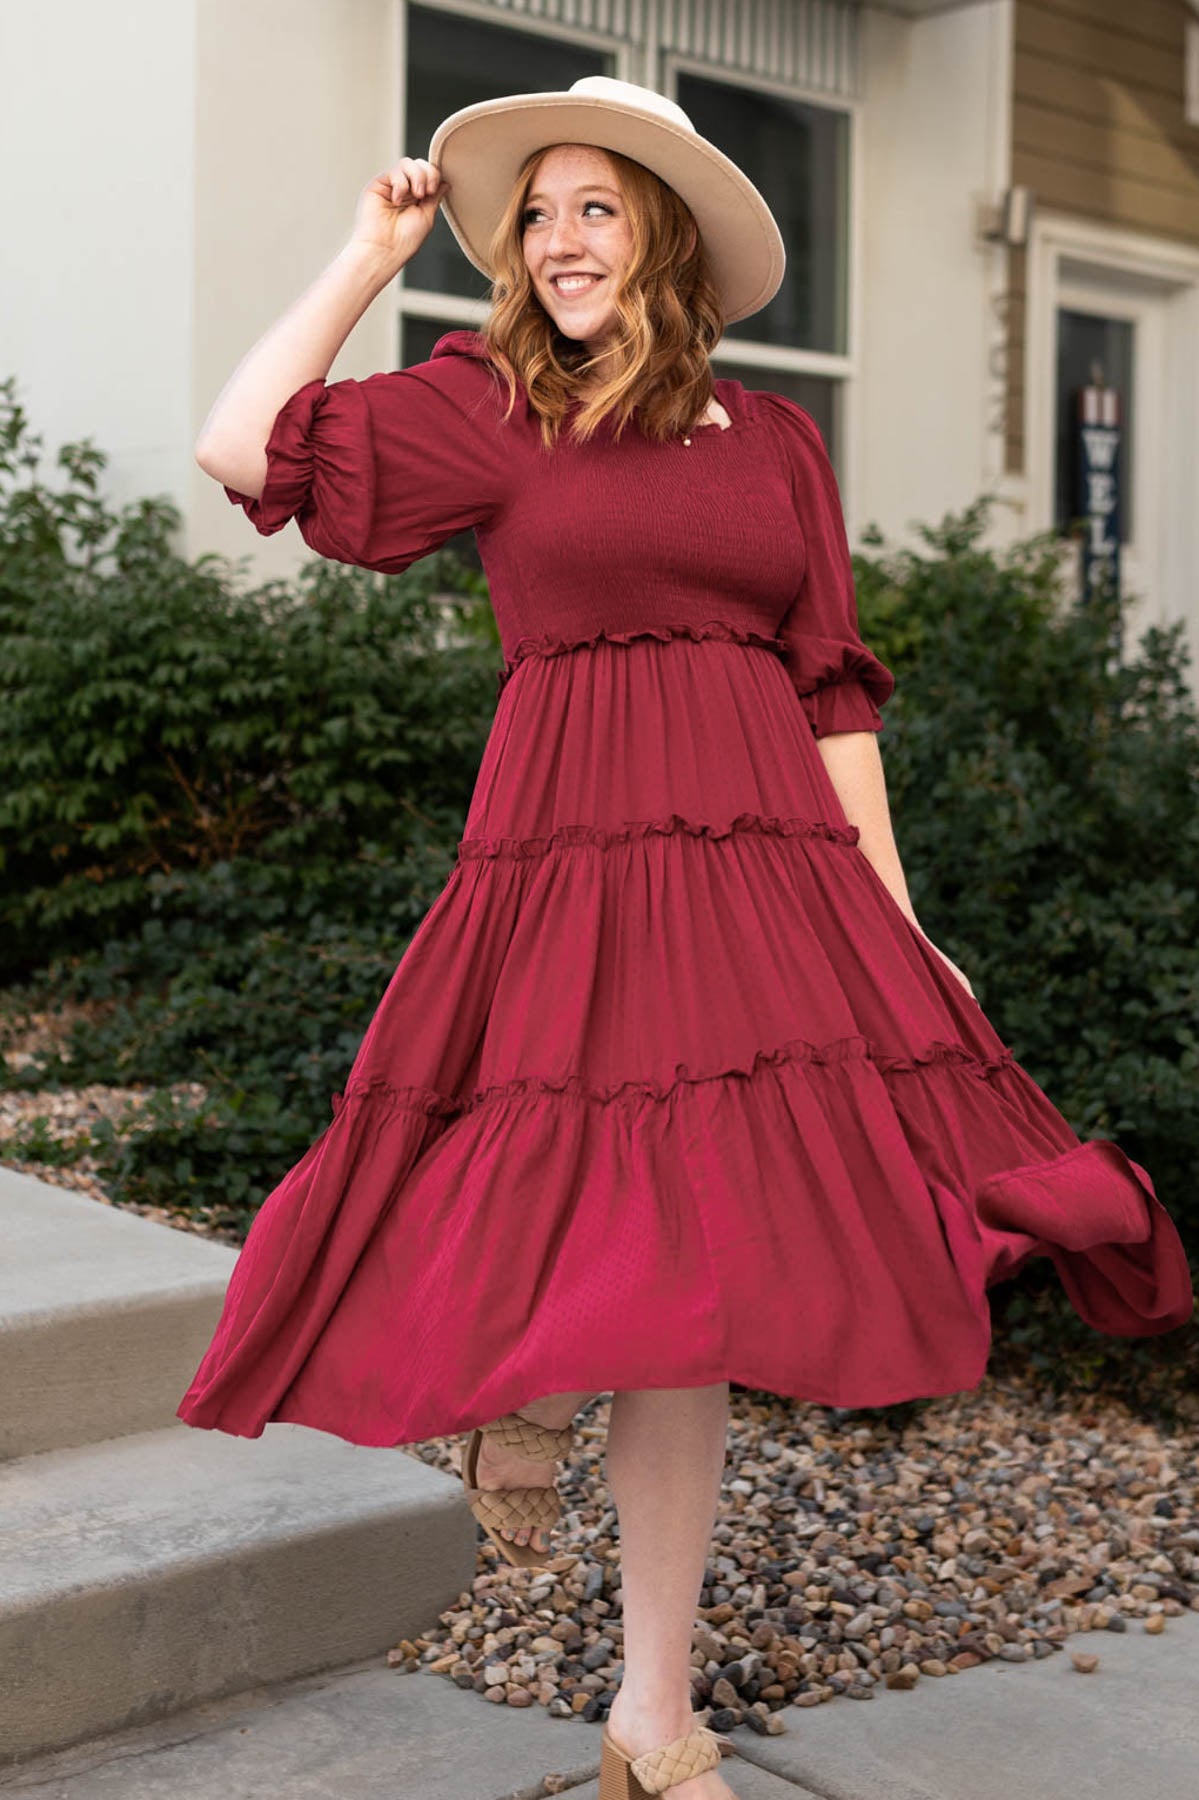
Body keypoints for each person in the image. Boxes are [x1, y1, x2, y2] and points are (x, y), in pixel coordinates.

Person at [179, 76, 1193, 1800]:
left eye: (596, 208)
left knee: (701, 1276)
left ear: (666, 233)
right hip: (568, 870)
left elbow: (830, 692)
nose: (559, 242)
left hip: (763, 877)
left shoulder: (778, 442)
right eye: (540, 214)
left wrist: (898, 922)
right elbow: (244, 451)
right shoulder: (492, 403)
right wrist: (368, 255)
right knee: (546, 1185)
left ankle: (655, 1716)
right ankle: (528, 1373)